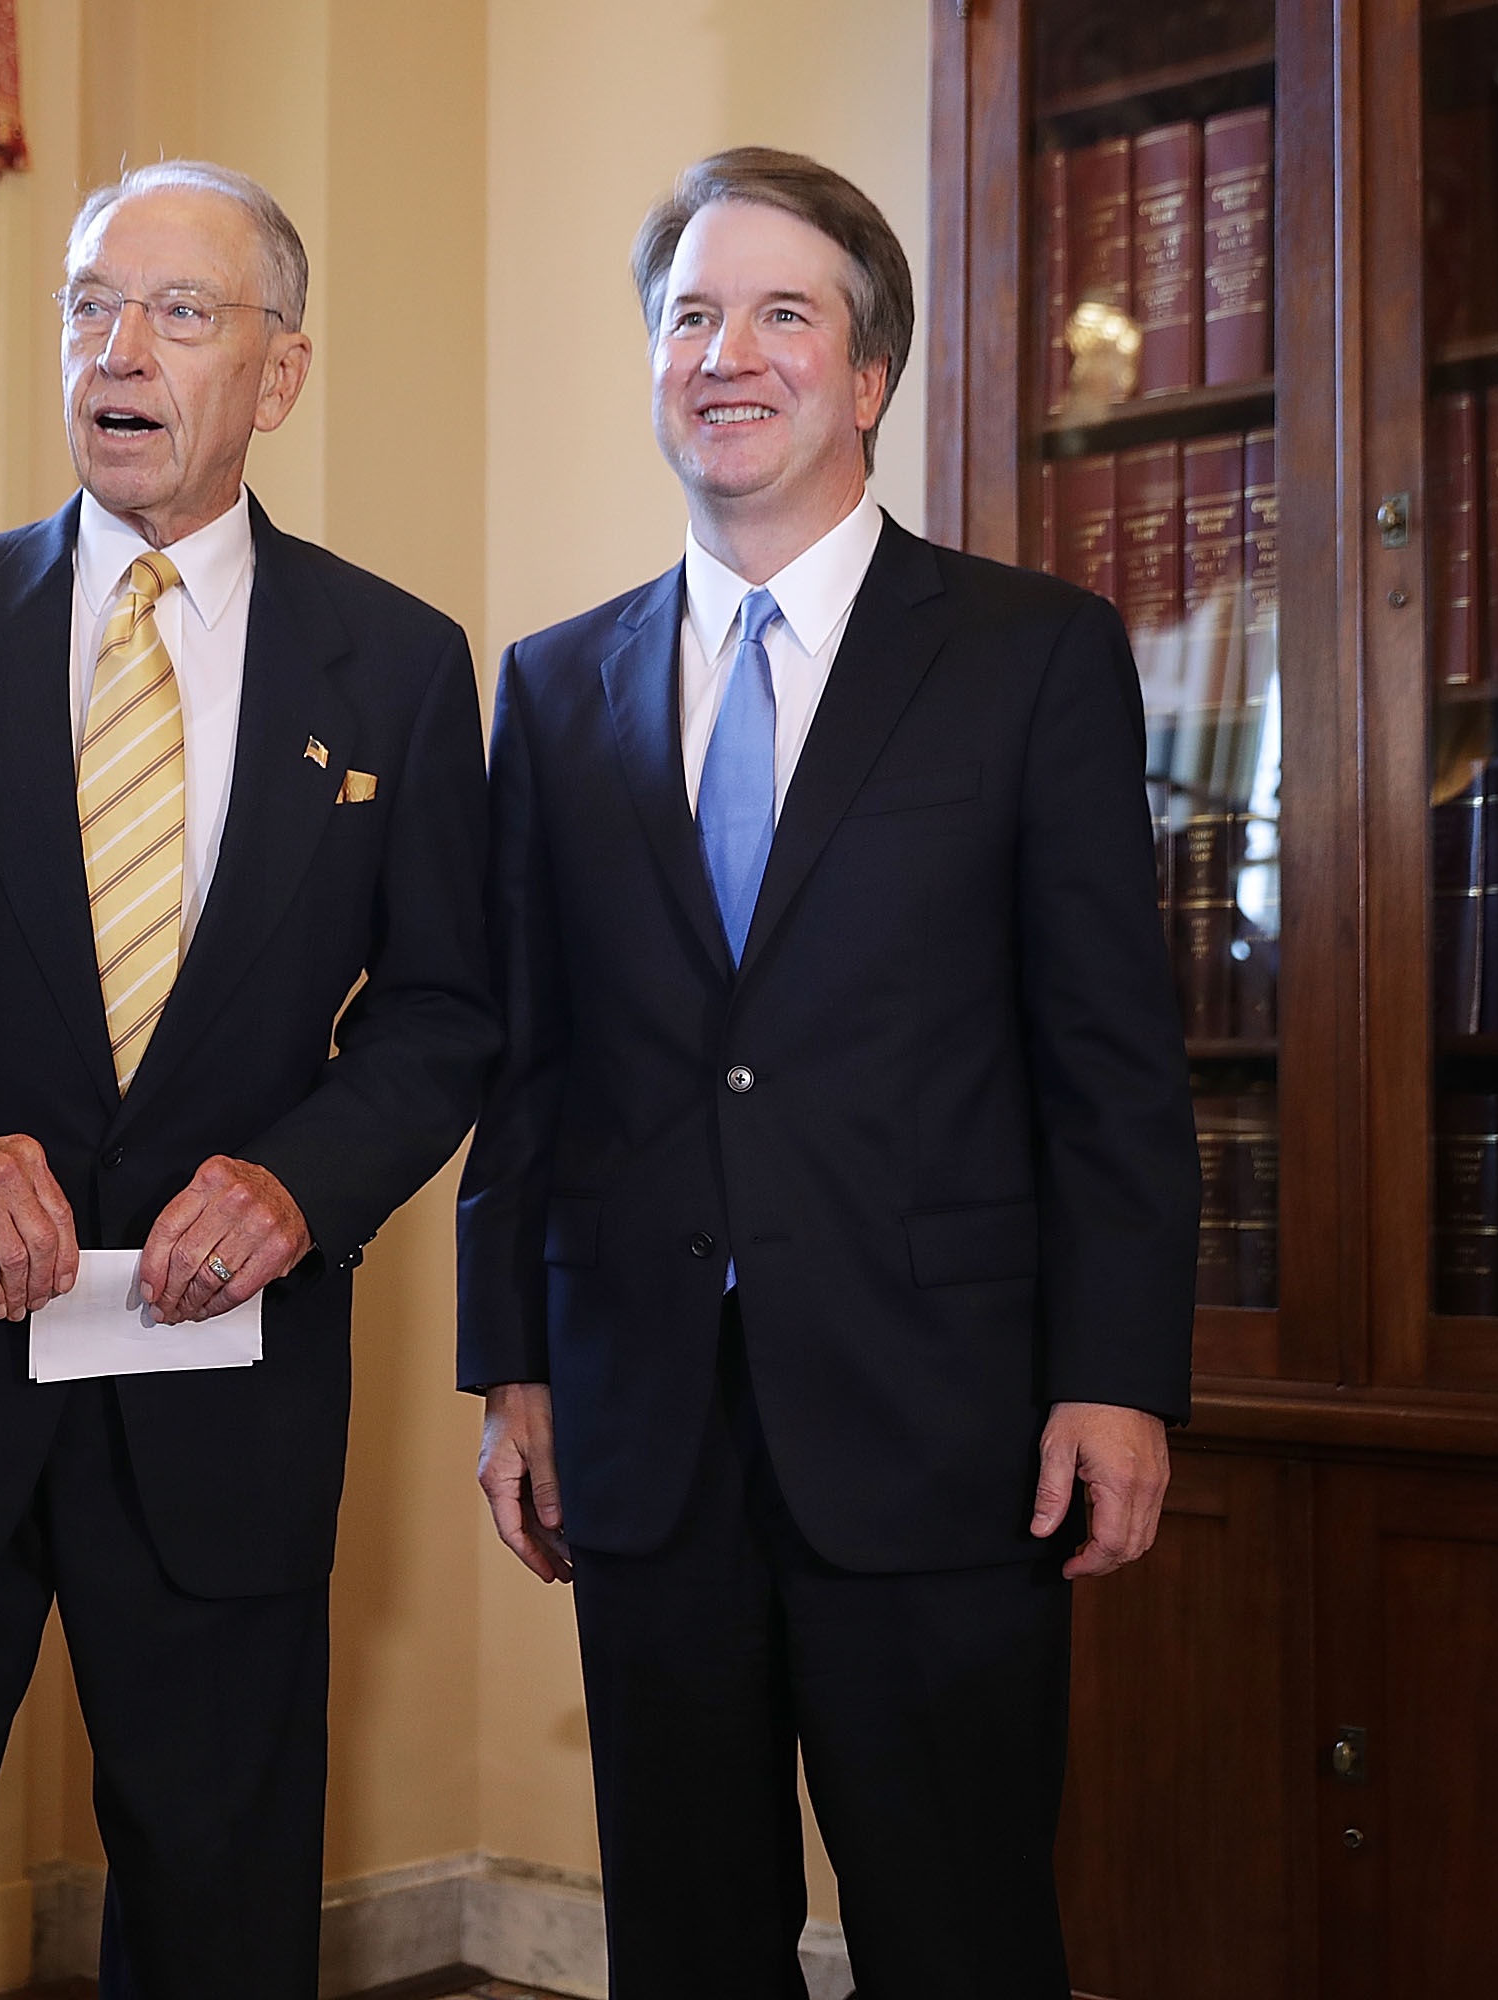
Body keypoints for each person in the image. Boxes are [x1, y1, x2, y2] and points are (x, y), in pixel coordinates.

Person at [0, 159, 497, 2000]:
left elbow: (447, 1012)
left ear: (277, 376)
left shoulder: (395, 665)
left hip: (221, 1409)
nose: (116, 352)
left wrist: (301, 1185)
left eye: (178, 313)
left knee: (217, 1914)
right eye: (86, 306)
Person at [457, 148, 1198, 1996]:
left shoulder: (1031, 657)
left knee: (959, 1939)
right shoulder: (554, 689)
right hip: (643, 1442)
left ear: (868, 376)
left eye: (785, 313)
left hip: (944, 1435)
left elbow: (1108, 1057)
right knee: (689, 1948)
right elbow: (526, 1059)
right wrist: (513, 1364)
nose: (730, 352)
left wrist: (1117, 1377)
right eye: (691, 315)